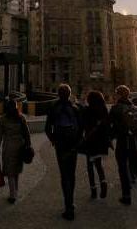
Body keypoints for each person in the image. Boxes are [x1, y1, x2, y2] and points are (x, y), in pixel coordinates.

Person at [109, 85, 137, 214]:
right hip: (134, 143)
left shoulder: (116, 109)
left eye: (116, 94)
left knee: (122, 168)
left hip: (123, 143)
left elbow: (110, 126)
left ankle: (126, 196)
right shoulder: (135, 108)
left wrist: (110, 138)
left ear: (118, 95)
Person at [45, 84, 83, 221]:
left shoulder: (54, 108)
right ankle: (70, 203)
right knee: (71, 174)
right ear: (69, 94)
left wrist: (54, 140)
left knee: (64, 174)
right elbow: (81, 130)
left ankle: (68, 206)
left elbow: (47, 128)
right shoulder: (75, 108)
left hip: (60, 145)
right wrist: (77, 143)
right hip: (72, 144)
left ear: (58, 94)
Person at [0, 96, 32, 204]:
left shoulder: (3, 119)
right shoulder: (21, 118)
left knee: (10, 172)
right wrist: (28, 145)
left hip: (8, 147)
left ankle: (12, 195)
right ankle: (15, 191)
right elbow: (27, 133)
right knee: (16, 171)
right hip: (20, 146)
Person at [80, 90, 110, 199]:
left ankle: (93, 190)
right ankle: (103, 182)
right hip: (101, 141)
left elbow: (82, 124)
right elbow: (107, 125)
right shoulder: (104, 109)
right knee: (98, 164)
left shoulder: (87, 110)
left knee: (90, 166)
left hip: (90, 140)